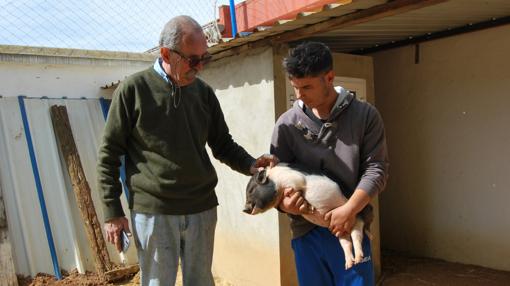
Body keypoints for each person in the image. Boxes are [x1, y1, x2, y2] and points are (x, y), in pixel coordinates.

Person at [96, 15, 277, 286]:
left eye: (205, 58)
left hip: (201, 208)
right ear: (167, 54)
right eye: (194, 60)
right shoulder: (134, 90)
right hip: (154, 211)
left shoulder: (203, 93)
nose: (200, 67)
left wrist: (251, 164)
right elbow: (109, 155)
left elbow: (222, 144)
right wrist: (112, 211)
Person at [271, 41, 389, 286]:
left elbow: (376, 169)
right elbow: (277, 177)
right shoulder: (286, 124)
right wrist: (285, 205)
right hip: (306, 234)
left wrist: (349, 210)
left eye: (306, 87)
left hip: (351, 225)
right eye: (295, 87)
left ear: (329, 77)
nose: (299, 95)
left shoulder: (365, 116)